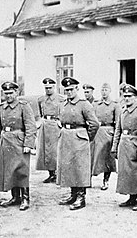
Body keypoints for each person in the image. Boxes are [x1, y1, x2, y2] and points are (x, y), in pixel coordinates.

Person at [57, 77, 99, 210]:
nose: (69, 92)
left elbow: (94, 123)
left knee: (79, 168)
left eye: (71, 89)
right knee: (69, 167)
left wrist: (86, 137)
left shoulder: (84, 104)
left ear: (77, 89)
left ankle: (81, 197)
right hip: (66, 138)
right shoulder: (63, 104)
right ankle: (73, 194)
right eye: (66, 90)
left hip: (79, 138)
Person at [0, 82, 37, 211]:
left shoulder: (23, 106)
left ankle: (25, 198)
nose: (8, 96)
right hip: (6, 142)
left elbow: (31, 126)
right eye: (6, 93)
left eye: (11, 93)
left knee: (21, 170)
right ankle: (15, 197)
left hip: (19, 142)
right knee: (9, 170)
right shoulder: (1, 107)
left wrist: (28, 144)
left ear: (16, 93)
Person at [111, 84, 137, 211]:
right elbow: (118, 130)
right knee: (127, 173)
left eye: (130, 96)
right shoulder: (123, 110)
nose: (127, 98)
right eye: (125, 96)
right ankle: (132, 197)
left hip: (136, 145)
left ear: (135, 97)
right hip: (124, 144)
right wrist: (114, 147)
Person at [91, 83, 121, 190]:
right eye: (102, 90)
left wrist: (116, 136)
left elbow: (118, 122)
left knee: (107, 159)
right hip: (97, 132)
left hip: (109, 133)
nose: (104, 92)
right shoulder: (95, 104)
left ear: (110, 91)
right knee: (93, 156)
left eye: (106, 90)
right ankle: (88, 179)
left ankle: (106, 180)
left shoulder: (115, 105)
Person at [36, 78, 65, 183]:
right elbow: (40, 113)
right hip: (45, 125)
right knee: (46, 150)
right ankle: (51, 174)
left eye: (50, 88)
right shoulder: (41, 99)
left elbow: (64, 113)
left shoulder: (61, 99)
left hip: (55, 125)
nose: (48, 90)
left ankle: (58, 174)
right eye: (46, 88)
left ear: (54, 87)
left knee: (55, 151)